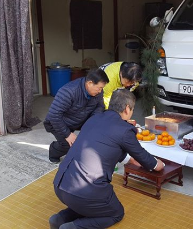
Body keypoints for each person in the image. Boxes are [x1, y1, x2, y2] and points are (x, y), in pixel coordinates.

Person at [50, 89, 165, 229]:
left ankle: (60, 218)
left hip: (60, 184)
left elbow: (115, 150)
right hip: (86, 190)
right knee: (115, 213)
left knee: (88, 204)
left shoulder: (94, 118)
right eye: (133, 109)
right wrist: (159, 164)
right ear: (127, 108)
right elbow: (148, 161)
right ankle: (73, 227)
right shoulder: (124, 130)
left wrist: (133, 159)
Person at [44, 68, 109, 163]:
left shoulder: (97, 91)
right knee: (69, 144)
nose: (100, 91)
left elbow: (100, 106)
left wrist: (93, 122)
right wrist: (67, 134)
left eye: (102, 88)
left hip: (79, 118)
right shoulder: (68, 91)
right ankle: (54, 150)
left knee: (103, 126)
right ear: (90, 83)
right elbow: (54, 115)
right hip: (60, 122)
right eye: (99, 88)